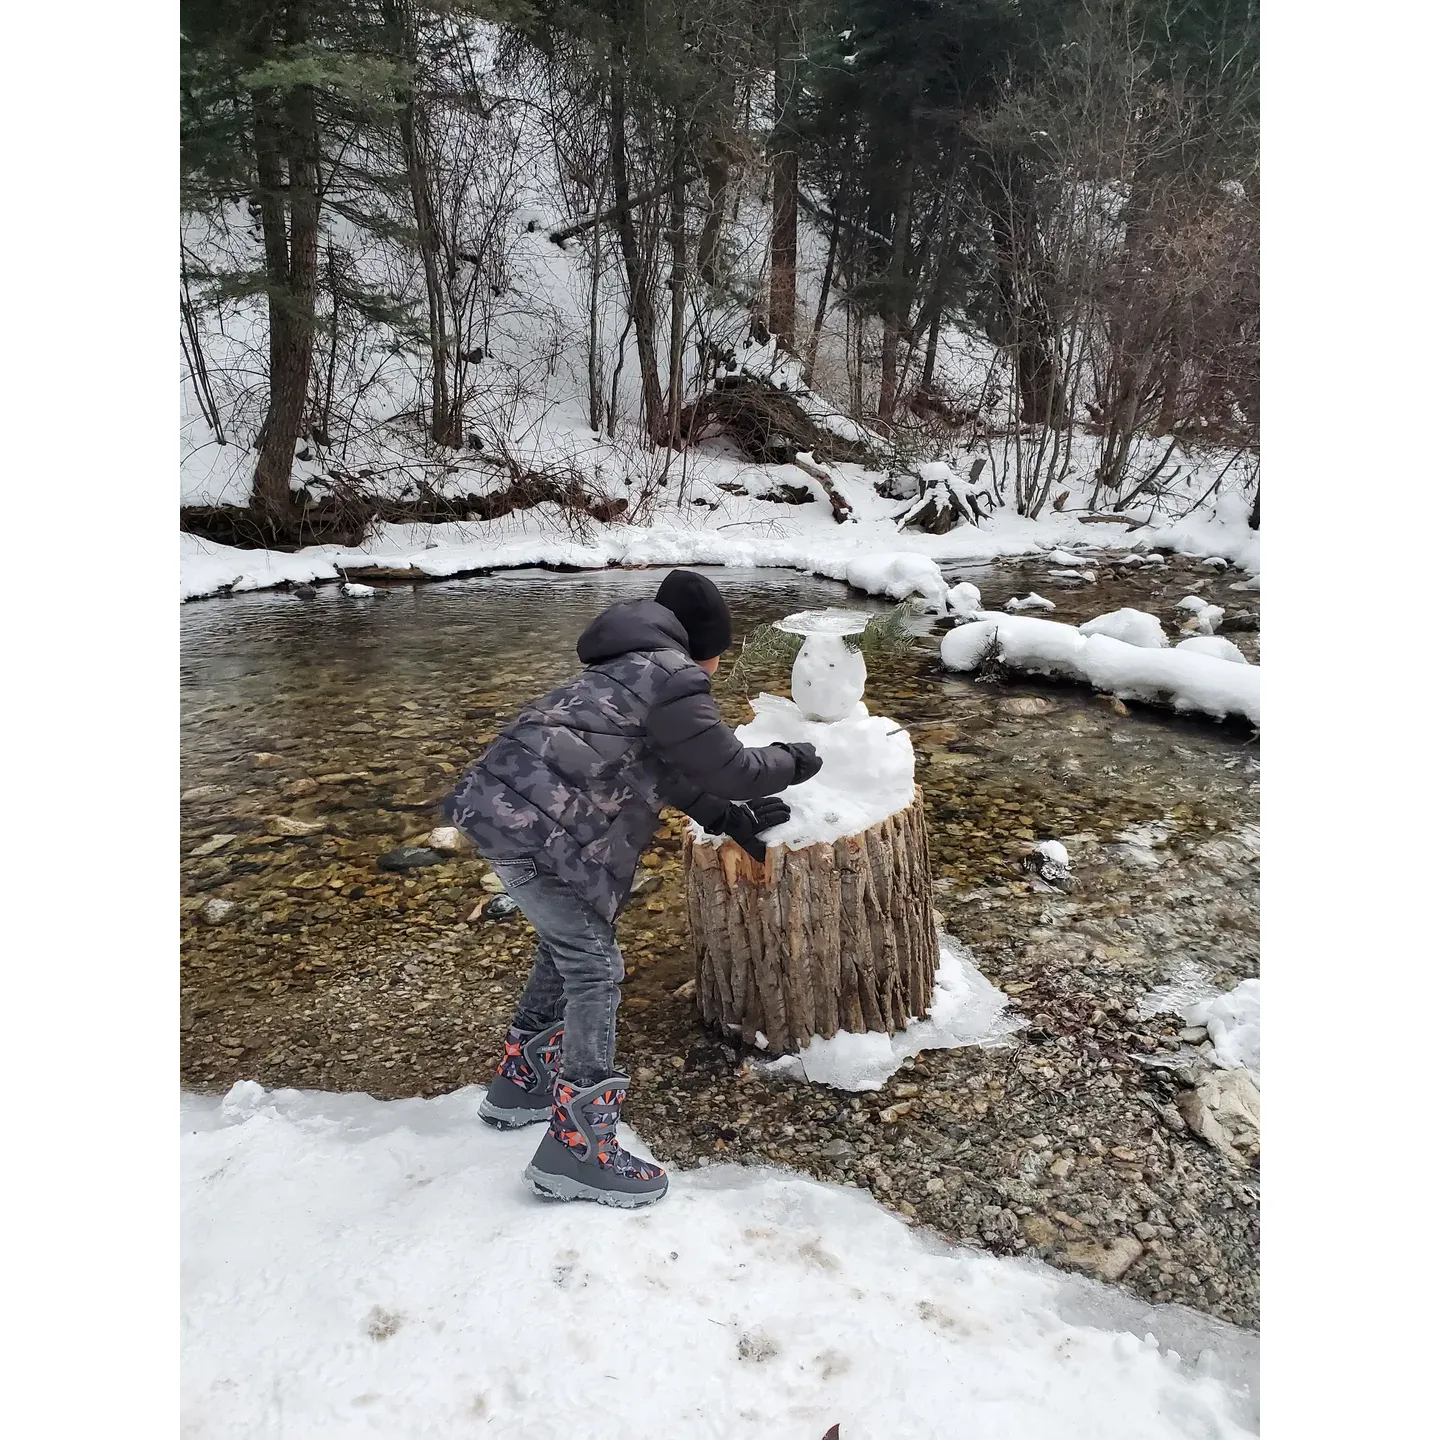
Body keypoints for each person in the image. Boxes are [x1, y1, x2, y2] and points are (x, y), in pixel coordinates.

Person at [443, 570, 823, 1208]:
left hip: (502, 816)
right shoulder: (676, 676)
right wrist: (798, 758)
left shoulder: (623, 669)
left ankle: (521, 1084)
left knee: (568, 947)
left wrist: (728, 820)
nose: (720, 664)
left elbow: (658, 770)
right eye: (720, 651)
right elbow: (731, 766)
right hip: (535, 834)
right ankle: (578, 1149)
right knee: (596, 967)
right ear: (706, 645)